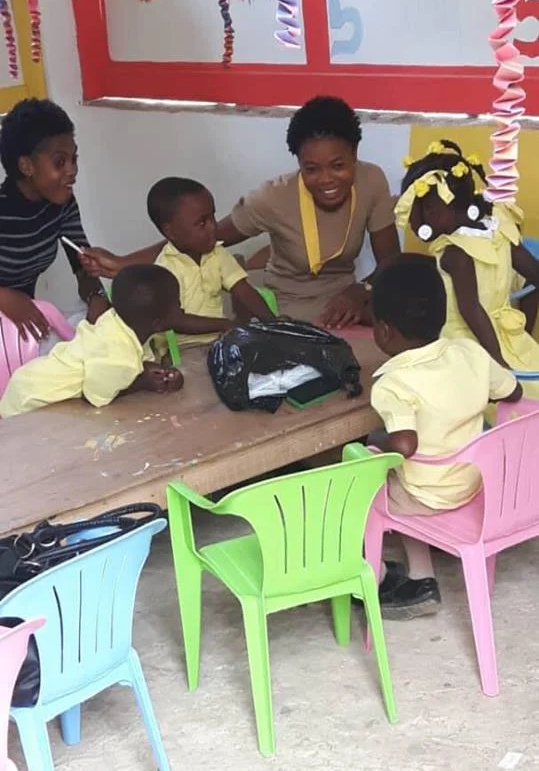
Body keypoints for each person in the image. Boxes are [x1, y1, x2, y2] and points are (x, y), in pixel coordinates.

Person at [79, 97, 400, 327]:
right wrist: (122, 263)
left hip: (348, 302)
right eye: (311, 169)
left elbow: (390, 263)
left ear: (355, 155)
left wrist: (361, 291)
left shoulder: (372, 181)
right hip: (289, 309)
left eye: (339, 166)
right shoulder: (272, 197)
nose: (326, 179)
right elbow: (202, 237)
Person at [369, 253, 521, 619]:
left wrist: (376, 439)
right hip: (473, 483)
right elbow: (513, 392)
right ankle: (421, 577)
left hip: (429, 494)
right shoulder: (469, 353)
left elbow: (405, 444)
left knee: (367, 480)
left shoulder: (392, 383)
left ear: (384, 331)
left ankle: (376, 576)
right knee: (409, 475)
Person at [395, 139, 539, 397]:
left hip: (469, 349)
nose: (415, 223)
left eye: (418, 211)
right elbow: (536, 276)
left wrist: (500, 365)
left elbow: (471, 310)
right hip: (510, 340)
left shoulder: (455, 253)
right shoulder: (499, 229)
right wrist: (522, 333)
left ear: (432, 207)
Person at [0, 264, 183, 418]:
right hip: (30, 404)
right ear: (158, 324)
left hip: (27, 381)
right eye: (177, 305)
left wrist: (156, 370)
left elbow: (138, 361)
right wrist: (143, 383)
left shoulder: (114, 320)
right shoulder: (119, 355)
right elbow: (96, 396)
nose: (181, 308)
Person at [0, 98, 109, 343]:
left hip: (17, 333)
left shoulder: (63, 204)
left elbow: (82, 265)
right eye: (60, 162)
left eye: (74, 159)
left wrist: (96, 296)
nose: (72, 171)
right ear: (27, 166)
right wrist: (4, 297)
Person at [147, 177, 274, 349]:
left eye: (212, 216)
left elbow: (243, 290)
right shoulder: (165, 270)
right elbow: (176, 320)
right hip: (185, 349)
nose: (212, 227)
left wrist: (273, 323)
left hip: (220, 339)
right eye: (201, 223)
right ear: (171, 232)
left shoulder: (217, 253)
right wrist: (223, 324)